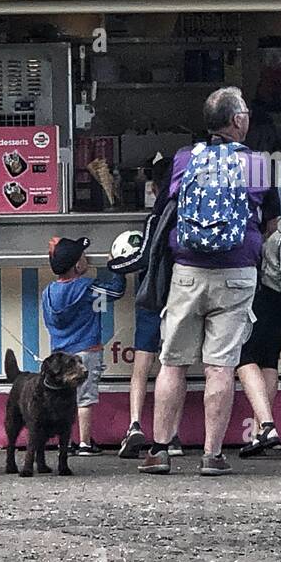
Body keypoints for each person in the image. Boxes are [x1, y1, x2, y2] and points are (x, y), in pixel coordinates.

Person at [142, 86, 280, 477]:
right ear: (238, 121)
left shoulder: (183, 160)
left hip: (187, 272)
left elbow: (161, 213)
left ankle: (160, 450)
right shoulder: (256, 164)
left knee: (173, 363)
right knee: (220, 367)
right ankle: (212, 454)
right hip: (237, 274)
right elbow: (270, 225)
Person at [114, 156, 184, 460]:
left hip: (151, 298)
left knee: (141, 368)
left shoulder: (156, 217)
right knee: (173, 368)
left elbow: (141, 259)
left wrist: (114, 265)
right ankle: (172, 434)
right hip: (181, 297)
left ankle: (134, 424)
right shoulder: (188, 212)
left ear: (154, 187)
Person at [235, 155, 281, 457]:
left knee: (242, 352)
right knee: (269, 358)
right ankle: (265, 428)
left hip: (259, 278)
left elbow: (265, 232)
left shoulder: (243, 189)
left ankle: (266, 425)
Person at [41, 235, 125, 455]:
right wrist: (118, 266)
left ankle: (66, 442)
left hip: (60, 354)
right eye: (84, 257)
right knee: (85, 398)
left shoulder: (47, 293)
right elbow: (115, 291)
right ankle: (85, 443)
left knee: (64, 398)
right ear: (78, 265)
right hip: (86, 351)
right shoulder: (86, 289)